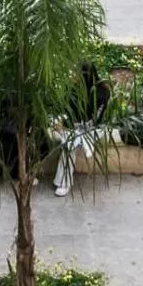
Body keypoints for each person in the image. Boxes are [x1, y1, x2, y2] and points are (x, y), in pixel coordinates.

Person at [54, 62, 112, 197]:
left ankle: (63, 182)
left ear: (84, 75)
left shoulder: (101, 92)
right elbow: (66, 112)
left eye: (75, 73)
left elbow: (95, 118)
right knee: (69, 143)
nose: (71, 75)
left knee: (70, 142)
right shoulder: (72, 90)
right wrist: (61, 123)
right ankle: (64, 182)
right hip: (74, 127)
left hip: (93, 129)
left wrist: (66, 125)